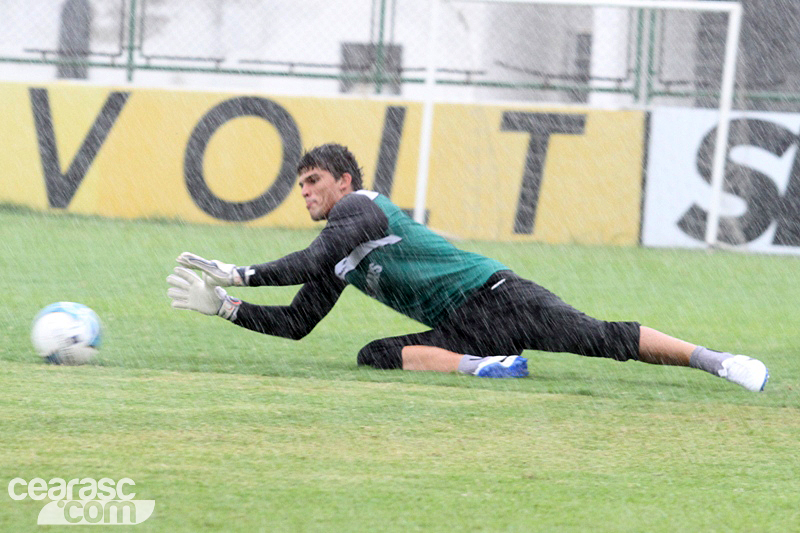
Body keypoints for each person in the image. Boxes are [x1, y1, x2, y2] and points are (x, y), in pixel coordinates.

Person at [167, 143, 769, 391]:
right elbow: (298, 324)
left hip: (496, 294)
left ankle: (720, 362)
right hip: (464, 328)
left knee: (598, 338)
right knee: (373, 354)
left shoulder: (361, 207)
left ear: (345, 181)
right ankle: (486, 367)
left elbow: (313, 258)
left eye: (314, 181)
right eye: (300, 187)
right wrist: (225, 307)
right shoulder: (338, 248)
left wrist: (241, 273)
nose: (307, 194)